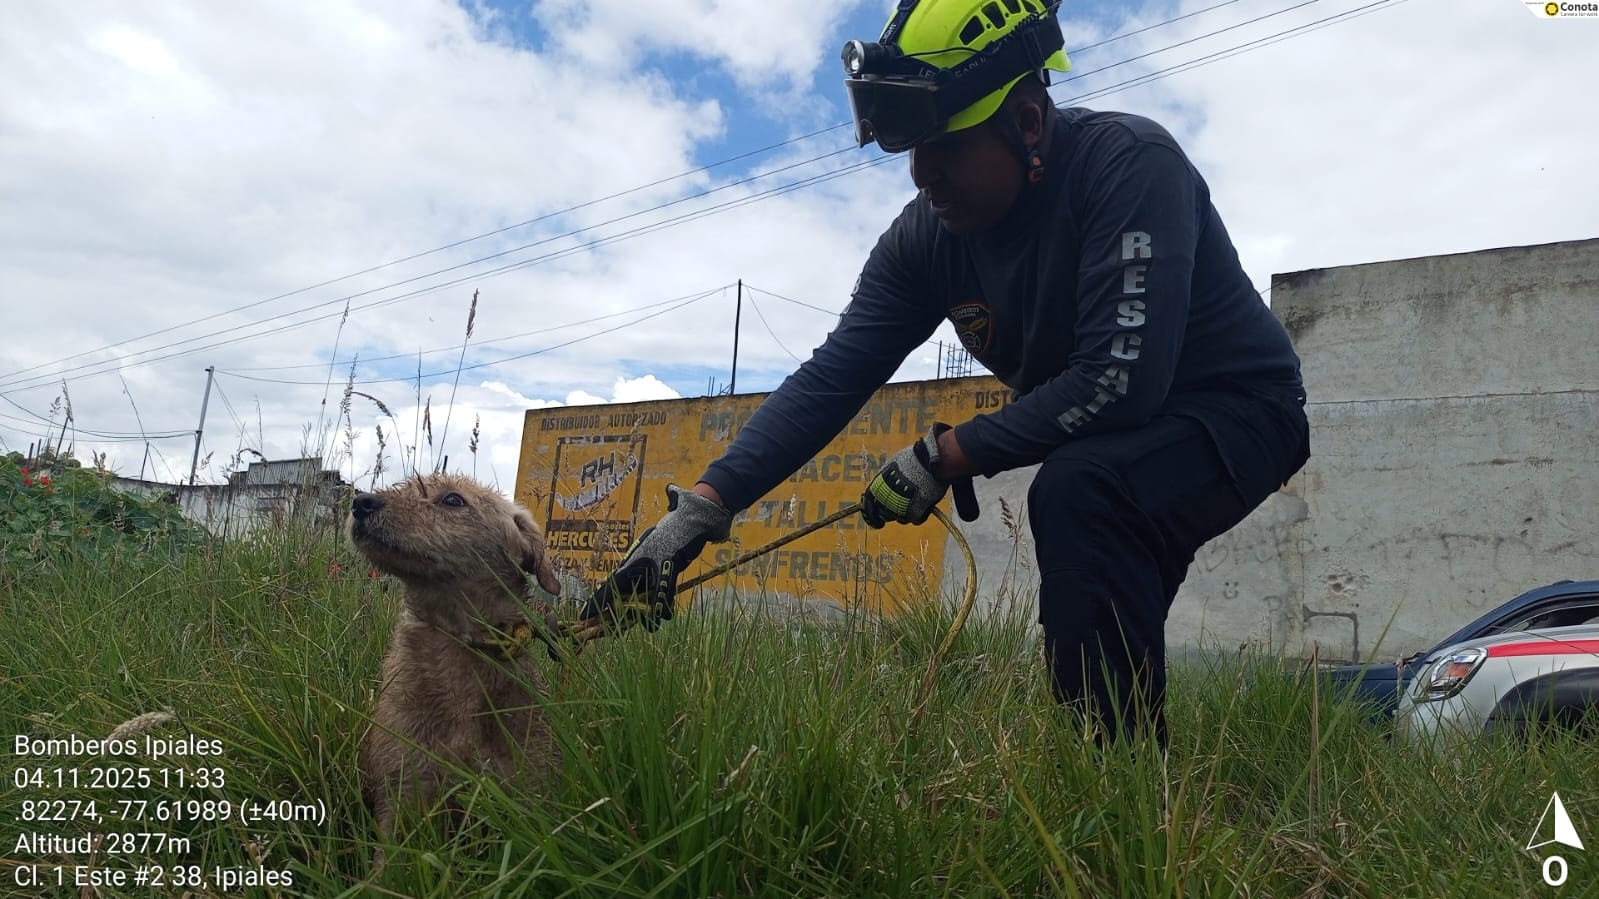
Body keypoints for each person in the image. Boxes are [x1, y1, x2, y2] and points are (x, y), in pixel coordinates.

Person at [582, 0, 1309, 749]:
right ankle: (1133, 773)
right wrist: (698, 513)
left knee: (1083, 491)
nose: (921, 175)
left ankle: (1113, 772)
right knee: (1097, 524)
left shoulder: (1129, 165)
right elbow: (833, 376)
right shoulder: (927, 237)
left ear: (1026, 122)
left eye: (944, 147)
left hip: (1239, 411)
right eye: (909, 152)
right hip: (1118, 436)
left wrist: (945, 455)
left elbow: (1116, 382)